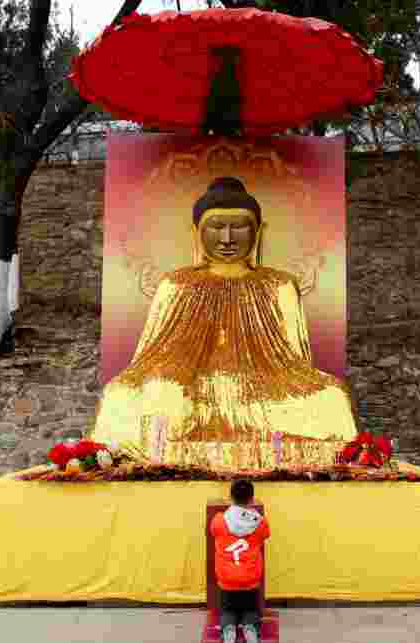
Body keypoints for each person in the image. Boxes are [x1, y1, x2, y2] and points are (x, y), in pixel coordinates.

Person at [88, 176, 358, 466]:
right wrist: (169, 379)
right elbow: (149, 356)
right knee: (124, 394)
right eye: (216, 227)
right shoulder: (177, 284)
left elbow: (295, 362)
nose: (227, 238)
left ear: (258, 232)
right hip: (190, 384)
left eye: (238, 227)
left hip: (265, 384)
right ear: (196, 232)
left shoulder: (279, 285)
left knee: (331, 397)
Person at [210, 479, 270, 643]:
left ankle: (228, 633)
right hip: (250, 578)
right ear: (252, 499)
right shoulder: (260, 523)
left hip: (227, 579)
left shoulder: (218, 521)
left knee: (227, 609)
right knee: (250, 609)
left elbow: (213, 532)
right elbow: (266, 534)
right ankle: (251, 631)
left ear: (230, 497)